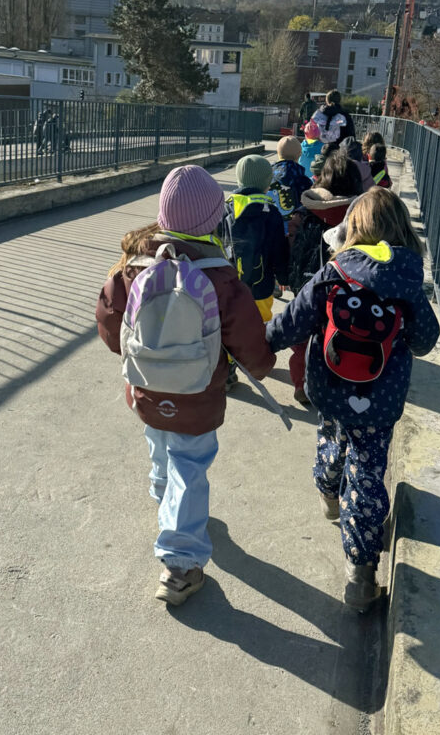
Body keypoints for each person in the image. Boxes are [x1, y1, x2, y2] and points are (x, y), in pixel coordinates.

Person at [96, 165, 275, 607]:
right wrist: (263, 365)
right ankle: (179, 566)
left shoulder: (135, 265)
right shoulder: (219, 275)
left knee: (159, 442)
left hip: (146, 387)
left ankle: (166, 502)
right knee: (189, 465)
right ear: (214, 219)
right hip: (197, 394)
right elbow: (248, 340)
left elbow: (109, 322)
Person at [266, 188, 439, 611]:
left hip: (330, 387)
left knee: (331, 441)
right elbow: (425, 341)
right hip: (380, 400)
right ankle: (361, 576)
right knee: (367, 473)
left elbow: (292, 322)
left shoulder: (334, 271)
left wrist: (256, 346)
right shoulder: (407, 281)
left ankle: (329, 494)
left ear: (353, 229)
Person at [286, 153, 363, 404]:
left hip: (305, 284)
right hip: (343, 289)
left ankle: (301, 383)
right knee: (338, 334)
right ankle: (335, 379)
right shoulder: (359, 216)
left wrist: (289, 276)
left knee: (302, 338)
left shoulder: (305, 211)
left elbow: (291, 245)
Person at [223, 154, 289, 324]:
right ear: (267, 184)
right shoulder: (272, 212)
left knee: (232, 325)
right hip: (262, 287)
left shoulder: (226, 209)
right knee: (259, 325)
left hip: (230, 287)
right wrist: (283, 277)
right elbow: (279, 250)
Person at [269, 136, 312, 231]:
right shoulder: (303, 180)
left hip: (271, 225)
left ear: (278, 152)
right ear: (299, 154)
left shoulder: (268, 176)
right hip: (294, 228)